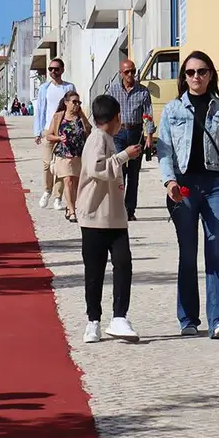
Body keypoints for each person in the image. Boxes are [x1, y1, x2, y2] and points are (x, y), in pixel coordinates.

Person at [156, 51, 219, 340]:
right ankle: (187, 318)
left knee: (214, 250)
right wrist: (169, 182)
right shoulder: (173, 110)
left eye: (202, 71)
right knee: (188, 252)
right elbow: (165, 151)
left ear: (211, 75)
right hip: (183, 186)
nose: (196, 77)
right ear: (183, 77)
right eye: (190, 72)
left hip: (214, 186)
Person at [77, 94, 142, 343]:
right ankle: (93, 320)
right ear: (117, 118)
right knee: (94, 271)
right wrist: (124, 156)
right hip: (95, 217)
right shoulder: (97, 138)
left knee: (123, 264)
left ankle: (119, 317)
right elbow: (97, 168)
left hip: (115, 216)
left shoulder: (109, 139)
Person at [106, 58, 154, 221]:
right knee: (119, 171)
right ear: (121, 73)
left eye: (133, 71)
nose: (130, 74)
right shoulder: (113, 91)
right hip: (119, 134)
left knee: (134, 173)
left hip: (135, 133)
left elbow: (148, 114)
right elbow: (107, 112)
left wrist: (149, 136)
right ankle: (117, 208)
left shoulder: (143, 91)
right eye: (127, 72)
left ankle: (130, 210)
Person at [33, 58, 76, 211]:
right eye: (50, 69)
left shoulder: (69, 87)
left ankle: (57, 197)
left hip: (64, 130)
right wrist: (37, 132)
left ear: (62, 70)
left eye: (56, 69)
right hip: (48, 129)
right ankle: (47, 190)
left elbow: (74, 107)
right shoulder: (44, 88)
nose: (53, 72)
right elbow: (40, 110)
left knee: (60, 165)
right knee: (46, 163)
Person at [45, 89, 91, 223]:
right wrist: (59, 138)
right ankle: (72, 211)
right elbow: (49, 135)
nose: (76, 105)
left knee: (75, 183)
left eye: (79, 102)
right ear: (66, 103)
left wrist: (82, 115)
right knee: (68, 181)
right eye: (74, 102)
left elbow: (88, 130)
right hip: (63, 153)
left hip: (78, 153)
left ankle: (70, 207)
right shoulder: (59, 116)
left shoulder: (81, 117)